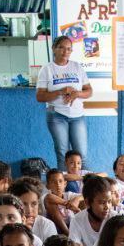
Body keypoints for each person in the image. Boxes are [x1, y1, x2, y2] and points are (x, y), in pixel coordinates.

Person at [37, 36, 92, 169]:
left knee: (81, 154)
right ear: (54, 49)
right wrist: (60, 91)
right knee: (63, 153)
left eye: (69, 49)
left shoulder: (77, 67)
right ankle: (63, 188)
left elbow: (89, 91)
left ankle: (84, 187)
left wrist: (77, 93)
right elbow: (40, 96)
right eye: (61, 47)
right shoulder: (47, 69)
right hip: (56, 115)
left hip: (77, 116)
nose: (65, 51)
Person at [68, 174, 118, 246]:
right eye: (102, 203)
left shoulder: (115, 219)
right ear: (87, 203)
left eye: (109, 201)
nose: (107, 207)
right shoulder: (77, 220)